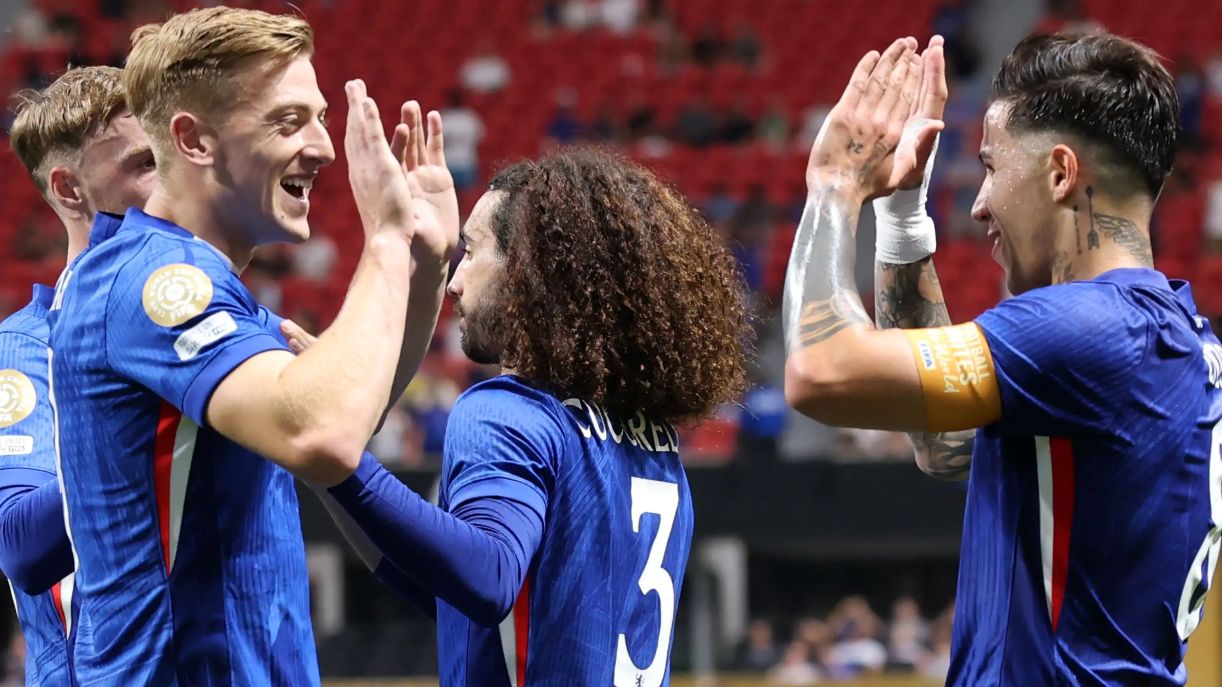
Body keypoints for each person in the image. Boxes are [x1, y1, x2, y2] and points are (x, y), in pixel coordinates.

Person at [783, 31, 1222, 686]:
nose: (980, 203)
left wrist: (833, 186)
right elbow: (945, 444)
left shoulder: (1090, 328)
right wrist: (903, 216)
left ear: (1060, 173)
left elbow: (820, 371)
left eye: (991, 167)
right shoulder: (1180, 338)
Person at [47, 7, 457, 684]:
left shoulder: (216, 293)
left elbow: (351, 415)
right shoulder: (152, 283)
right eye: (288, 122)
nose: (324, 148)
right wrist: (383, 237)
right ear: (194, 141)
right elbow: (322, 436)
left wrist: (423, 265)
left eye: (320, 118)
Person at [319, 147, 753, 685]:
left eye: (472, 252)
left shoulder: (506, 411)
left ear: (529, 273)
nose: (456, 282)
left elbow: (488, 578)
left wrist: (344, 459)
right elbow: (461, 607)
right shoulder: (654, 443)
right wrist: (329, 472)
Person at [2, 64, 156, 687]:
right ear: (70, 190)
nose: (173, 183)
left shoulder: (212, 321)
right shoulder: (26, 348)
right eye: (146, 163)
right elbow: (20, 540)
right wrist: (151, 405)